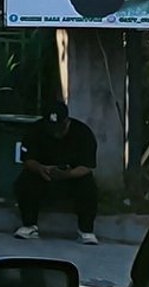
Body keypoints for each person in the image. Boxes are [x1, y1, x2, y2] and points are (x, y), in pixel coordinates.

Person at [15, 97, 99, 243]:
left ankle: (86, 230)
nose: (55, 134)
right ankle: (29, 225)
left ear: (67, 122)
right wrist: (41, 168)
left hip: (72, 178)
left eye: (60, 129)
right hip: (43, 175)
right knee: (24, 181)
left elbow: (87, 167)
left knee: (88, 186)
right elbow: (27, 159)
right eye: (52, 129)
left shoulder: (83, 133)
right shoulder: (35, 130)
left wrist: (67, 174)